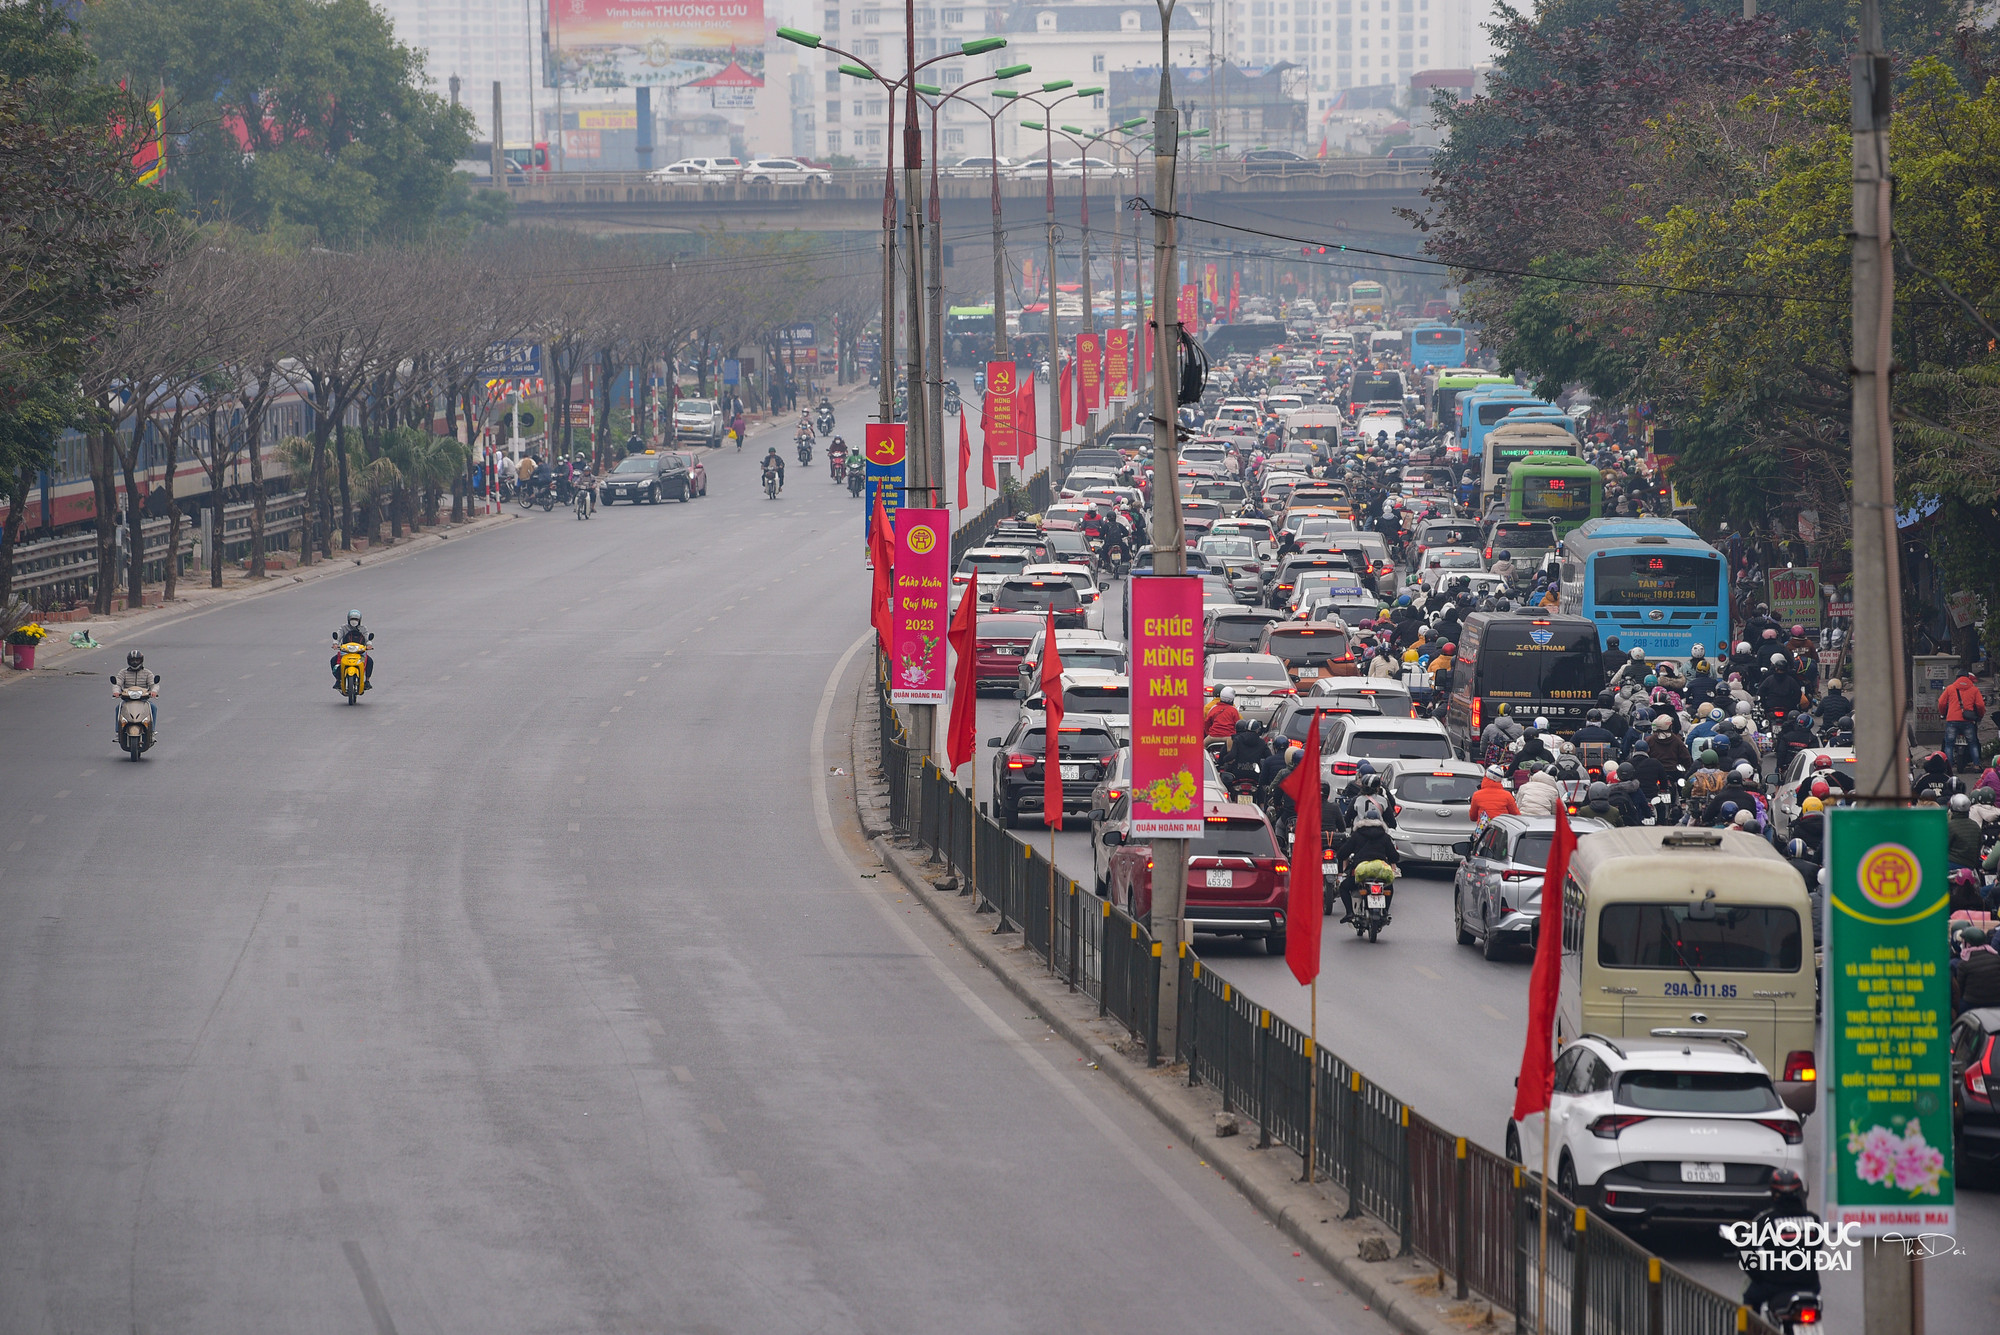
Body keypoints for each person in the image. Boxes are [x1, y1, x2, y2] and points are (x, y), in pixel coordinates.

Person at [1334, 800, 1401, 922]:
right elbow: (1394, 857)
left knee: (1344, 887)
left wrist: (1342, 857)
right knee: (1389, 888)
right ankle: (1385, 912)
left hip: (1361, 870)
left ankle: (1350, 913)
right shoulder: (1385, 837)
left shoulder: (1357, 835)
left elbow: (1343, 853)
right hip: (1380, 872)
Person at [1940, 668, 1987, 771]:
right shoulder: (1974, 689)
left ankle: (1950, 767)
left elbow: (1941, 703)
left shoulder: (1950, 688)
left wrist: (1943, 713)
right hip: (1968, 721)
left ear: (1957, 678)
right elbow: (1980, 705)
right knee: (1972, 743)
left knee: (1949, 744)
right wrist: (1980, 715)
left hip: (1952, 720)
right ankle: (1976, 765)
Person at [113, 649, 159, 733]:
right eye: (132, 660)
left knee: (153, 708)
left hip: (143, 699)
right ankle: (118, 731)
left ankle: (152, 730)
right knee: (118, 708)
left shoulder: (147, 673)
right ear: (128, 661)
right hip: (127, 699)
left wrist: (154, 691)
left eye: (137, 660)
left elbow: (154, 684)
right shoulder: (123, 673)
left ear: (141, 660)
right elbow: (117, 683)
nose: (134, 662)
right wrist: (116, 691)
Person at [329, 609, 373, 690]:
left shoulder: (363, 628)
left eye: (356, 619)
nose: (354, 621)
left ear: (360, 620)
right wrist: (335, 644)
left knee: (369, 661)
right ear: (348, 619)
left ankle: (367, 681)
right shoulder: (344, 628)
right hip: (345, 652)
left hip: (360, 653)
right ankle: (338, 680)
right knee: (333, 660)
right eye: (352, 619)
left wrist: (369, 645)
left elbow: (367, 638)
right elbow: (338, 636)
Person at [1949, 792, 1983, 870]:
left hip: (1952, 864)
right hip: (1971, 865)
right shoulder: (1975, 825)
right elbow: (1979, 848)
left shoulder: (1950, 825)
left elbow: (1943, 847)